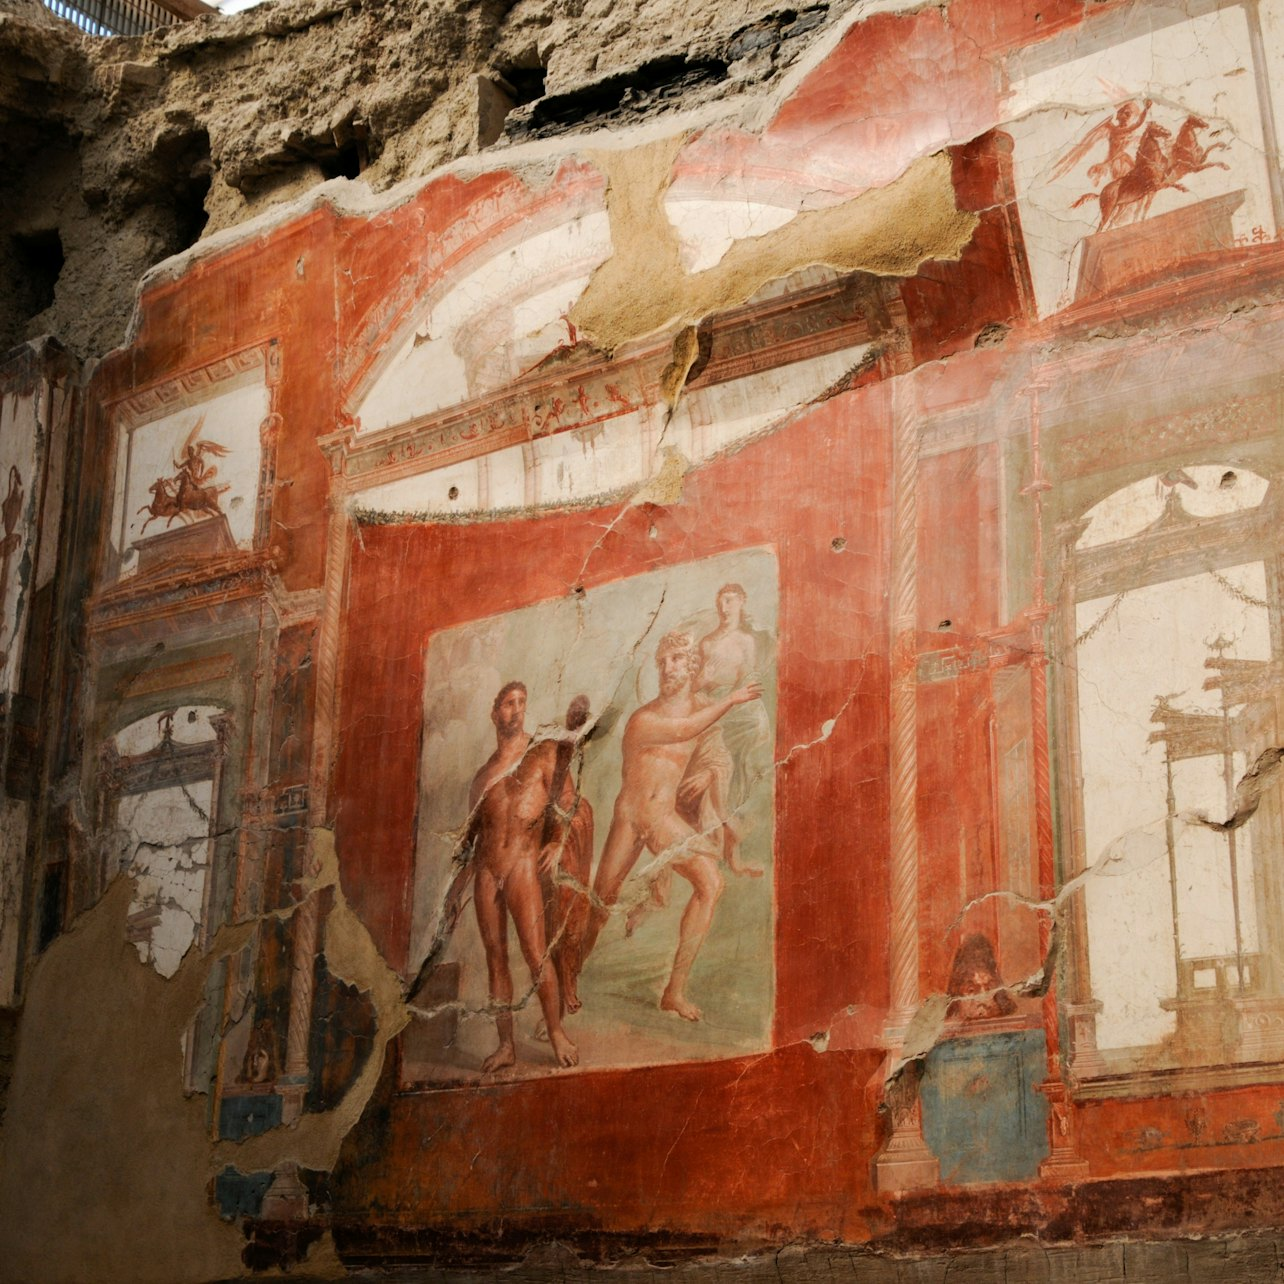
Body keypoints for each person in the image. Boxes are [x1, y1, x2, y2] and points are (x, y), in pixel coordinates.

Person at [581, 631, 763, 1021]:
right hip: (631, 818)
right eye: (663, 661)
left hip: (663, 818)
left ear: (691, 665)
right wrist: (731, 699)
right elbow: (684, 731)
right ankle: (567, 980)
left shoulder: (700, 707)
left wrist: (708, 776)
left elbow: (716, 754)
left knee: (711, 883)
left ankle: (674, 991)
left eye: (677, 660)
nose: (668, 668)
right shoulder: (643, 719)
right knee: (600, 903)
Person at [466, 681, 579, 1072]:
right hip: (486, 872)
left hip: (523, 865)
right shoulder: (482, 776)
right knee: (496, 959)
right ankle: (506, 1046)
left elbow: (567, 801)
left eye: (521, 703)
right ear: (495, 713)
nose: (516, 710)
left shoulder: (543, 753)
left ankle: (556, 1033)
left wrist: (559, 842)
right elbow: (471, 838)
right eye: (508, 704)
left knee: (536, 955)